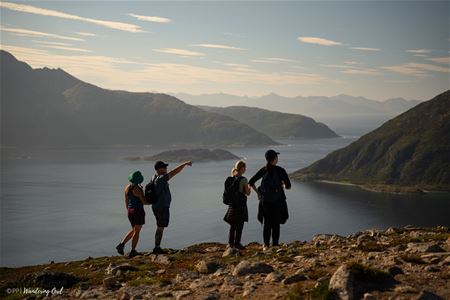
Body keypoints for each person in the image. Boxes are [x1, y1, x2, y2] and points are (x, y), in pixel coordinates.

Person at [249, 150, 291, 251]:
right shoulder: (280, 170)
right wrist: (282, 186)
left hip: (265, 202)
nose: (277, 158)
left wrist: (258, 193)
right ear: (275, 159)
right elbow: (288, 186)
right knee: (276, 223)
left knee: (267, 223)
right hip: (277, 201)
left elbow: (251, 182)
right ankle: (275, 245)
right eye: (276, 156)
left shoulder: (264, 170)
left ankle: (266, 245)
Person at [151, 160, 192, 254]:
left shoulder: (154, 177)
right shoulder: (161, 179)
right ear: (159, 169)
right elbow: (174, 172)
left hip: (157, 206)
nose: (166, 168)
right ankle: (157, 248)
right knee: (160, 227)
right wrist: (184, 164)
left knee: (160, 226)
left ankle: (157, 246)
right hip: (162, 207)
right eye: (164, 167)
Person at [116, 170, 147, 258]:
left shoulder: (127, 187)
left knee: (134, 229)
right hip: (138, 211)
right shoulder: (138, 189)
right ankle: (133, 251)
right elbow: (144, 202)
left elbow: (126, 200)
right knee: (137, 231)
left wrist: (128, 209)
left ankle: (121, 245)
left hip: (130, 210)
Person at [223, 160, 251, 250]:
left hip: (232, 205)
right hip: (240, 205)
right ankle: (237, 243)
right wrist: (249, 187)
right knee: (240, 225)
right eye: (245, 168)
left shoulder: (232, 178)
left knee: (233, 225)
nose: (245, 169)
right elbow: (247, 193)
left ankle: (230, 244)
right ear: (242, 168)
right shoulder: (243, 179)